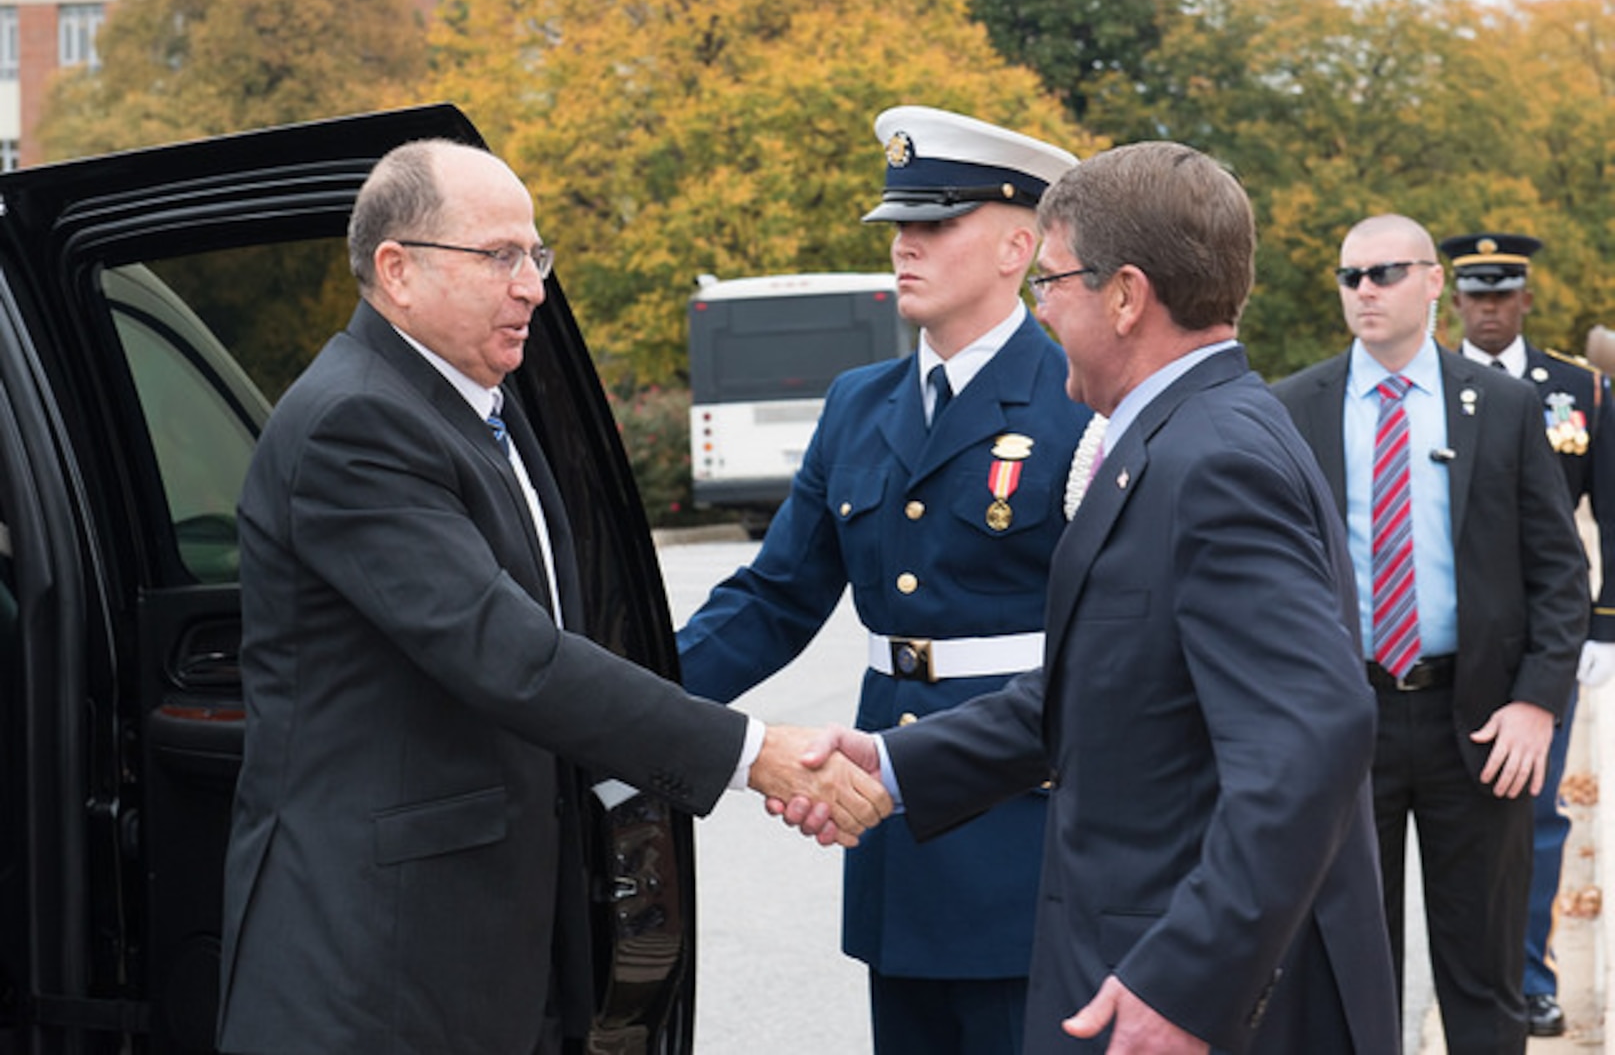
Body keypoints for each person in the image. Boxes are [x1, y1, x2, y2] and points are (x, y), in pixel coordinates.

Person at [215, 138, 890, 1055]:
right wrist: (752, 753)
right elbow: (508, 653)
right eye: (499, 256)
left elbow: (557, 637)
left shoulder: (479, 407)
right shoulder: (354, 422)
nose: (532, 285)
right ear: (396, 270)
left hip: (487, 947)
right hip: (378, 961)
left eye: (536, 256)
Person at [787, 141, 1401, 1053]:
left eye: (1051, 282)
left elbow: (1310, 737)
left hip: (1192, 996)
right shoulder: (1177, 437)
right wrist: (894, 764)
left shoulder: (1212, 460)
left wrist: (1191, 981)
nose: (1041, 309)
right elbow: (1105, 683)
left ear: (1124, 296)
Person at [677, 105, 1090, 1055]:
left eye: (935, 223)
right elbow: (776, 596)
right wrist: (630, 697)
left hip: (1022, 821)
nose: (904, 245)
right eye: (898, 225)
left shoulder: (1075, 402)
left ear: (1016, 246)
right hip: (892, 838)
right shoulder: (859, 403)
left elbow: (1107, 640)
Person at [1272, 214, 1588, 1053]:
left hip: (1477, 725)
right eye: (1350, 278)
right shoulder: (1290, 408)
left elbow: (1558, 573)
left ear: (1430, 282)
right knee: (1344, 965)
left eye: (1382, 273)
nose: (1364, 292)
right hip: (1344, 724)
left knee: (1483, 972)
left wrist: (1535, 705)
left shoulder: (1505, 407)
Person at [1441, 229, 1615, 1038]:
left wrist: (1602, 623)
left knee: (1535, 820)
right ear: (1456, 301)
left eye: (1501, 295)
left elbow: (1606, 512)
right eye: (1474, 296)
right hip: (1447, 642)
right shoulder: (1428, 385)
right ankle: (1466, 980)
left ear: (1525, 300)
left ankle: (1529, 975)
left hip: (1541, 640)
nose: (1487, 310)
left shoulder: (1576, 389)